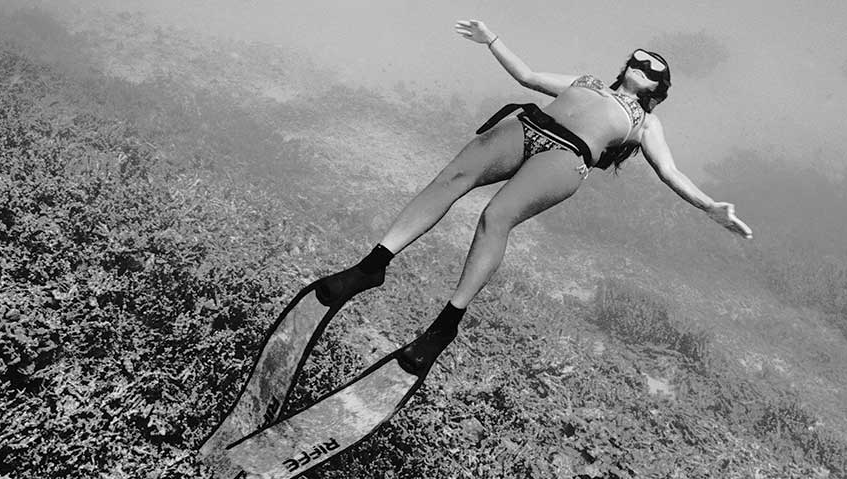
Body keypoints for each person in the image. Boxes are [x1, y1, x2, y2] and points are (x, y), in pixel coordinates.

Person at [314, 19, 752, 376]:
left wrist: (708, 206)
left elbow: (670, 171)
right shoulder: (586, 80)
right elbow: (527, 76)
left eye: (654, 69)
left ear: (659, 89)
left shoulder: (646, 124)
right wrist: (493, 41)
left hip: (567, 157)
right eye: (639, 58)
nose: (643, 65)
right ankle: (370, 268)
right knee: (450, 179)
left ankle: (445, 326)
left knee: (495, 217)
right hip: (526, 126)